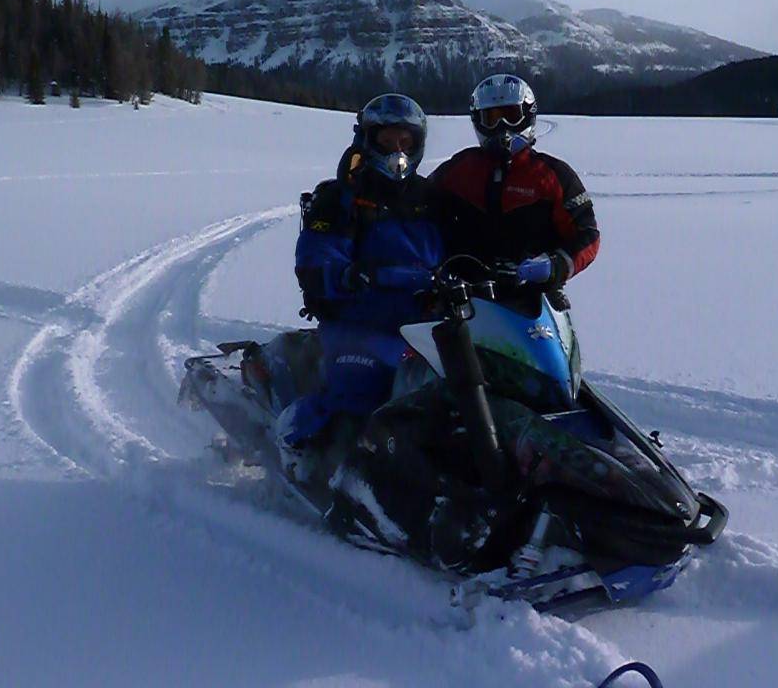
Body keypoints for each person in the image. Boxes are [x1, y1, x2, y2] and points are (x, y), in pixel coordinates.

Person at [249, 93, 443, 493]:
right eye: (388, 141)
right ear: (368, 141)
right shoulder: (338, 198)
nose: (398, 152)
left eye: (406, 142)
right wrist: (350, 275)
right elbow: (315, 257)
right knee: (363, 392)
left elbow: (461, 248)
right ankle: (302, 444)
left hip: (426, 325)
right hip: (359, 321)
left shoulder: (431, 201)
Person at [430, 74, 599, 294]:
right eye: (492, 118)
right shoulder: (457, 170)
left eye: (511, 115)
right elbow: (418, 206)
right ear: (478, 121)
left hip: (534, 296)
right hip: (465, 296)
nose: (502, 126)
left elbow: (587, 234)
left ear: (528, 116)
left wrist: (555, 265)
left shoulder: (553, 175)